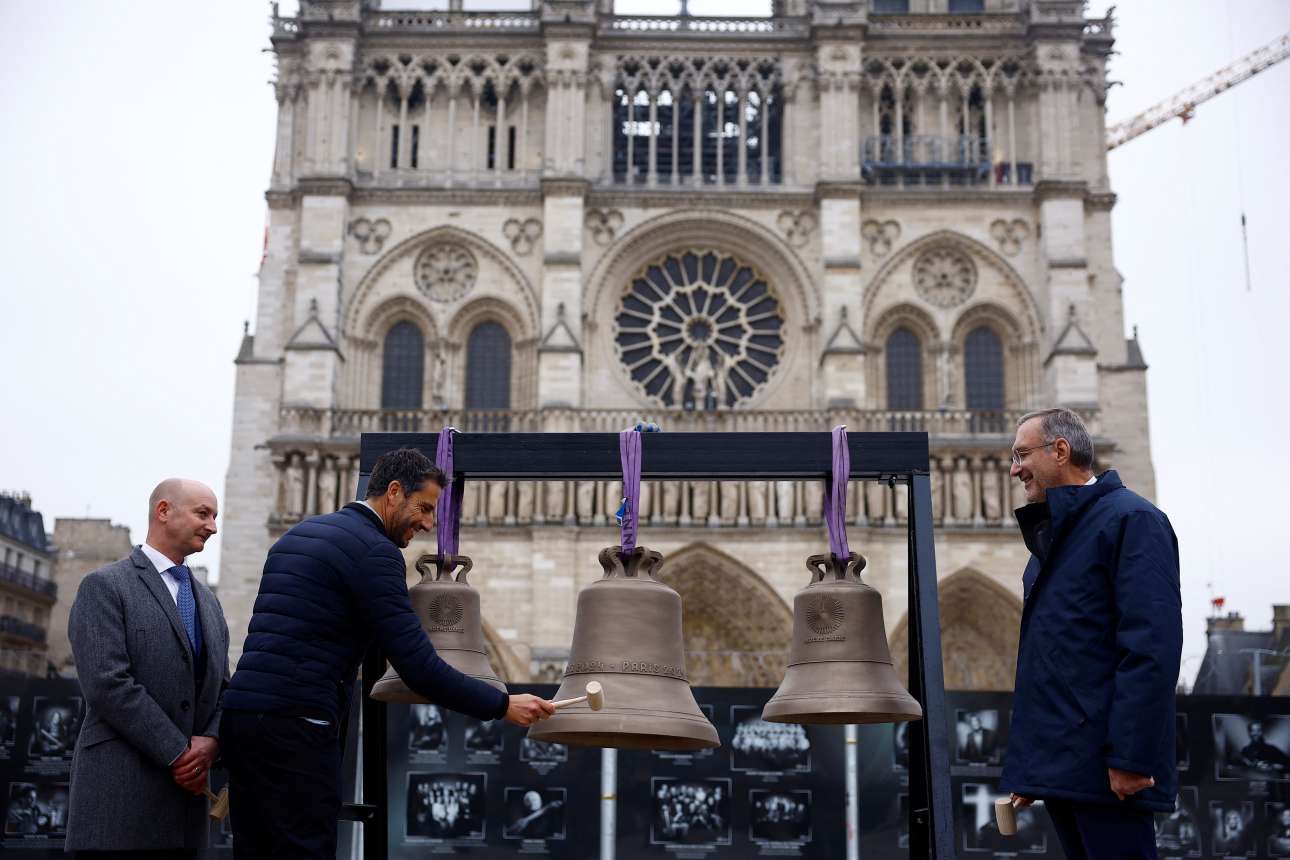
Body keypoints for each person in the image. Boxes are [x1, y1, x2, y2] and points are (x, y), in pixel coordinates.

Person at [221, 447, 553, 857]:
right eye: (425, 508)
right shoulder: (376, 553)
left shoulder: (298, 536)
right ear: (393, 492)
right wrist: (501, 704)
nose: (430, 524)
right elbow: (417, 666)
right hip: (297, 728)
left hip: (242, 722)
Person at [1000, 409, 1181, 859]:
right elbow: (1055, 664)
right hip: (1070, 769)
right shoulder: (1052, 541)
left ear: (1060, 451)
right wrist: (1035, 769)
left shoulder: (1132, 520)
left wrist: (1131, 757)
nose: (1013, 468)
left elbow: (1150, 648)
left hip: (1110, 770)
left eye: (1022, 454)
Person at [66, 479, 230, 858]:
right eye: (203, 514)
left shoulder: (208, 601)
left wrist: (213, 740)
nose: (213, 527)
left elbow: (223, 687)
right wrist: (179, 752)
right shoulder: (104, 586)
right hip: (118, 810)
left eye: (215, 517)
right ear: (163, 511)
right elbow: (108, 683)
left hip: (185, 818)